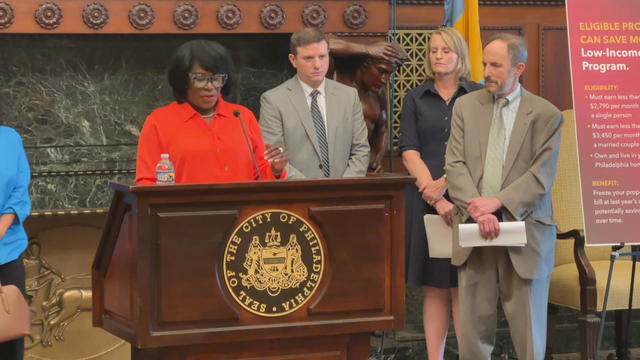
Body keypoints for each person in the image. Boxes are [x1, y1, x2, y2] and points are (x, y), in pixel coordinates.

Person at [445, 33, 563, 360]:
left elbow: (541, 177)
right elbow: (454, 164)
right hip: (474, 229)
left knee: (529, 339)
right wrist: (478, 209)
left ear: (518, 68)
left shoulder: (547, 115)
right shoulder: (465, 107)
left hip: (525, 234)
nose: (487, 71)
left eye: (496, 65)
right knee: (472, 337)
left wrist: (496, 203)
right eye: (484, 63)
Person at [398, 27, 482, 359]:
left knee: (462, 285)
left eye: (445, 50)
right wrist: (433, 195)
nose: (437, 56)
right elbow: (408, 150)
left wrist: (447, 183)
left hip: (468, 199)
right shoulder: (415, 97)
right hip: (423, 201)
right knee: (434, 287)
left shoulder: (477, 96)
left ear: (460, 54)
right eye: (433, 51)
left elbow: (481, 150)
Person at [136, 40, 287, 185]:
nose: (210, 86)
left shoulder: (242, 116)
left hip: (243, 209)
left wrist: (276, 169)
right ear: (183, 80)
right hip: (183, 211)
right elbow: (146, 182)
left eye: (216, 78)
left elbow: (260, 175)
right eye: (200, 78)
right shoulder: (159, 121)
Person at [259, 27, 370, 179]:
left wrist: (345, 187)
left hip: (344, 194)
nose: (318, 65)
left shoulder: (349, 96)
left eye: (322, 57)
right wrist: (312, 191)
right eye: (309, 58)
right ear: (293, 60)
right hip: (298, 195)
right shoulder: (273, 100)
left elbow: (361, 150)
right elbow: (274, 156)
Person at [329, 37, 408, 173]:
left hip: (362, 169)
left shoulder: (379, 95)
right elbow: (323, 44)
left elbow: (382, 129)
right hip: (329, 167)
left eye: (389, 74)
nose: (385, 80)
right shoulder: (336, 77)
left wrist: (378, 157)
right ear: (365, 64)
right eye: (381, 71)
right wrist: (366, 49)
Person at [0, 125, 31, 360]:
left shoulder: (10, 138)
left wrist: (1, 228)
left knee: (9, 338)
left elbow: (20, 192)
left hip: (7, 252)